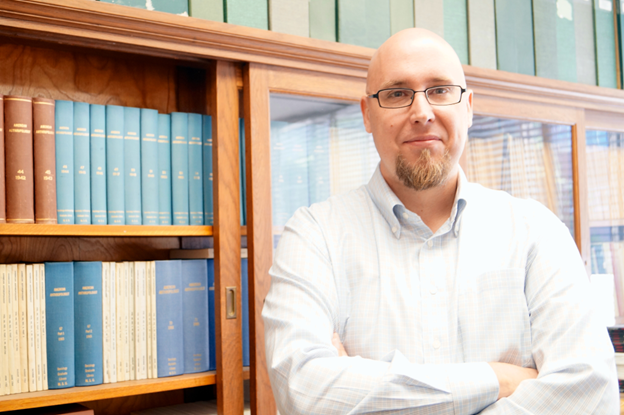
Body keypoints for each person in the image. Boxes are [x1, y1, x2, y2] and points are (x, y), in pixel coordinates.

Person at [262, 28, 619, 414]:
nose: (421, 113)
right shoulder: (314, 235)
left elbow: (589, 392)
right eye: (397, 93)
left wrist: (363, 392)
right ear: (367, 114)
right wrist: (498, 380)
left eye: (440, 90)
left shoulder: (537, 232)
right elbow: (305, 392)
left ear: (468, 107)